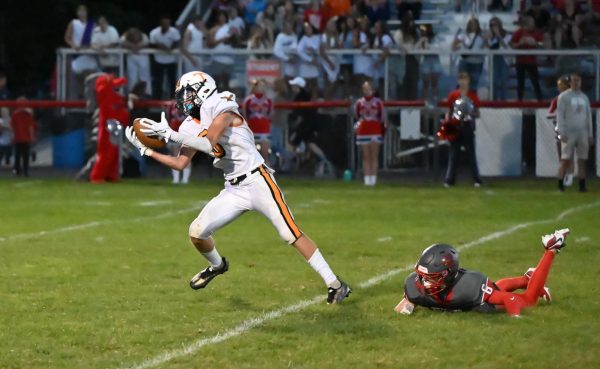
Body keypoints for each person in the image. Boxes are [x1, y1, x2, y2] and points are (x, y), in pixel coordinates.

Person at [125, 71, 351, 303]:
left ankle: (335, 284)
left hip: (258, 180)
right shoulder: (188, 126)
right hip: (233, 188)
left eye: (187, 94)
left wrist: (170, 135)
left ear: (203, 89)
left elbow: (207, 142)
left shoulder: (221, 105)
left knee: (289, 232)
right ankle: (217, 265)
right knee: (197, 232)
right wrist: (147, 151)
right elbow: (180, 164)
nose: (183, 100)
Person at [394, 228, 570, 317]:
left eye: (431, 278)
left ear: (447, 275)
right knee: (495, 288)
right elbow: (407, 304)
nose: (424, 283)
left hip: (482, 305)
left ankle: (552, 249)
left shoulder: (469, 287)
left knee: (529, 300)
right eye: (422, 277)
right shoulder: (414, 284)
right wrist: (406, 309)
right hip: (485, 294)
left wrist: (515, 315)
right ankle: (527, 278)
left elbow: (507, 298)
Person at [555, 72, 594, 192]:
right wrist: (561, 133)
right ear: (570, 82)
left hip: (582, 131)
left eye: (578, 81)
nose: (576, 83)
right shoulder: (564, 97)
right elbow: (560, 115)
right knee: (565, 158)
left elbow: (588, 117)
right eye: (574, 81)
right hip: (569, 132)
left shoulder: (584, 97)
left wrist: (590, 134)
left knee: (582, 159)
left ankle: (582, 185)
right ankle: (560, 185)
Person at [443, 72, 482, 187]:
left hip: (467, 125)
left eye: (465, 79)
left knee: (471, 154)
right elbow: (448, 112)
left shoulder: (472, 95)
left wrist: (471, 112)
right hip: (455, 125)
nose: (463, 81)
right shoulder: (453, 95)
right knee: (454, 153)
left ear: (469, 81)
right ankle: (449, 180)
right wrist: (447, 125)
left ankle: (476, 179)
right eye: (461, 79)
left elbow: (477, 113)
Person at [288, 77, 333, 171]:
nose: (292, 88)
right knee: (310, 143)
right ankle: (325, 160)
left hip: (304, 126)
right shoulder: (306, 95)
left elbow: (301, 115)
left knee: (293, 143)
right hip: (309, 124)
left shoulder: (300, 97)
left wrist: (296, 124)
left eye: (294, 86)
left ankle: (288, 164)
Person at [354, 81, 385, 186]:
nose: (366, 91)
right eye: (364, 89)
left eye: (368, 89)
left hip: (375, 130)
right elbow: (357, 115)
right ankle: (367, 180)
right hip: (363, 131)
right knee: (366, 156)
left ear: (373, 90)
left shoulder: (378, 102)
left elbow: (382, 117)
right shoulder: (359, 102)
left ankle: (373, 179)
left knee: (374, 156)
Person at [547, 75, 574, 187]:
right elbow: (550, 113)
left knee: (569, 154)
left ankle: (570, 176)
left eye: (562, 85)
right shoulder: (556, 100)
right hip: (560, 130)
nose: (560, 88)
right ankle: (564, 176)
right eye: (559, 85)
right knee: (562, 155)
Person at [510, 16, 544, 101]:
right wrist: (520, 43)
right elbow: (512, 45)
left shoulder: (536, 33)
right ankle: (519, 101)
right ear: (525, 25)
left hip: (532, 62)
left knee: (535, 82)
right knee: (520, 83)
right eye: (531, 23)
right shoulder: (518, 33)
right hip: (520, 62)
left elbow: (543, 44)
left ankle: (540, 101)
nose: (533, 25)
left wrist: (536, 43)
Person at [149, 17, 181, 99]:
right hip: (158, 60)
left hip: (171, 60)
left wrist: (169, 48)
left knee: (172, 81)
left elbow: (177, 42)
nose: (166, 25)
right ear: (161, 23)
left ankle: (173, 99)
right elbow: (152, 44)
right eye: (164, 23)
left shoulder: (174, 32)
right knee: (157, 81)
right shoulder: (154, 32)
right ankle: (157, 99)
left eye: (167, 23)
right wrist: (160, 46)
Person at [452, 17, 486, 91]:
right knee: (463, 83)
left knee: (473, 84)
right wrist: (458, 45)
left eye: (475, 24)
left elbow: (487, 46)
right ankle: (461, 100)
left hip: (477, 62)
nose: (473, 26)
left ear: (478, 25)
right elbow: (454, 46)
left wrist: (485, 39)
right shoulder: (463, 34)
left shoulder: (482, 35)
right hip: (465, 62)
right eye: (471, 24)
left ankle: (472, 100)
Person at [243, 79, 273, 164]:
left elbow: (270, 115)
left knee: (265, 149)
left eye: (263, 86)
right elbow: (245, 115)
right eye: (258, 86)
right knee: (250, 150)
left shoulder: (268, 100)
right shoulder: (248, 100)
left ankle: (267, 165)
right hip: (252, 127)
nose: (261, 88)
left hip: (264, 128)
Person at [415, 24, 442, 104]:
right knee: (426, 82)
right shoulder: (422, 39)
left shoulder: (436, 38)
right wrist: (422, 40)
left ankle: (435, 98)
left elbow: (437, 48)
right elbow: (416, 48)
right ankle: (424, 101)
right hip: (426, 60)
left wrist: (428, 44)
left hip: (434, 60)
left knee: (434, 82)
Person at [486, 17, 511, 100]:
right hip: (494, 58)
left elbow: (506, 46)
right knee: (494, 80)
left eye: (496, 24)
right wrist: (487, 39)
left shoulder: (507, 34)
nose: (494, 26)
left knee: (503, 80)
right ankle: (494, 100)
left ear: (500, 25)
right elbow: (489, 47)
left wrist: (498, 36)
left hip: (504, 58)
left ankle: (503, 101)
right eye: (492, 25)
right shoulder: (490, 36)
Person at [166, 102, 191, 184]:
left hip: (186, 132)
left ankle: (185, 179)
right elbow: (168, 118)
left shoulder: (190, 104)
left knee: (186, 155)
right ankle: (176, 179)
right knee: (175, 155)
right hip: (174, 132)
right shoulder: (171, 105)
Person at [10, 97, 37, 177]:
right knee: (25, 156)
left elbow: (12, 126)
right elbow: (30, 127)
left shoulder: (15, 113)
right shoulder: (28, 114)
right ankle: (25, 171)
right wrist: (32, 137)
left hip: (18, 137)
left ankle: (17, 170)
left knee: (17, 155)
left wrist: (12, 136)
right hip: (26, 137)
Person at [121, 27, 152, 95]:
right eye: (133, 36)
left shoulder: (144, 36)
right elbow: (122, 42)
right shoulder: (125, 36)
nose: (135, 37)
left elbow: (146, 44)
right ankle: (132, 93)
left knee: (144, 76)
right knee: (132, 76)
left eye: (136, 36)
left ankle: (146, 93)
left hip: (143, 56)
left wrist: (137, 47)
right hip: (131, 56)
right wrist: (132, 46)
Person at [296, 22, 321, 97]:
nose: (308, 30)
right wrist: (310, 59)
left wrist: (313, 49)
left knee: (314, 84)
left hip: (315, 64)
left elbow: (319, 48)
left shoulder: (317, 37)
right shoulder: (303, 39)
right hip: (306, 65)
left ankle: (314, 101)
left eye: (310, 28)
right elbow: (299, 51)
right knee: (306, 85)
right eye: (306, 29)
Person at [320, 17, 341, 99]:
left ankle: (330, 100)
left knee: (335, 82)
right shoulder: (324, 36)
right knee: (328, 82)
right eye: (330, 25)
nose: (332, 27)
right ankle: (326, 101)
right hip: (327, 61)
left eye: (333, 25)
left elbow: (339, 47)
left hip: (335, 60)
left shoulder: (337, 36)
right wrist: (329, 62)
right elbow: (322, 51)